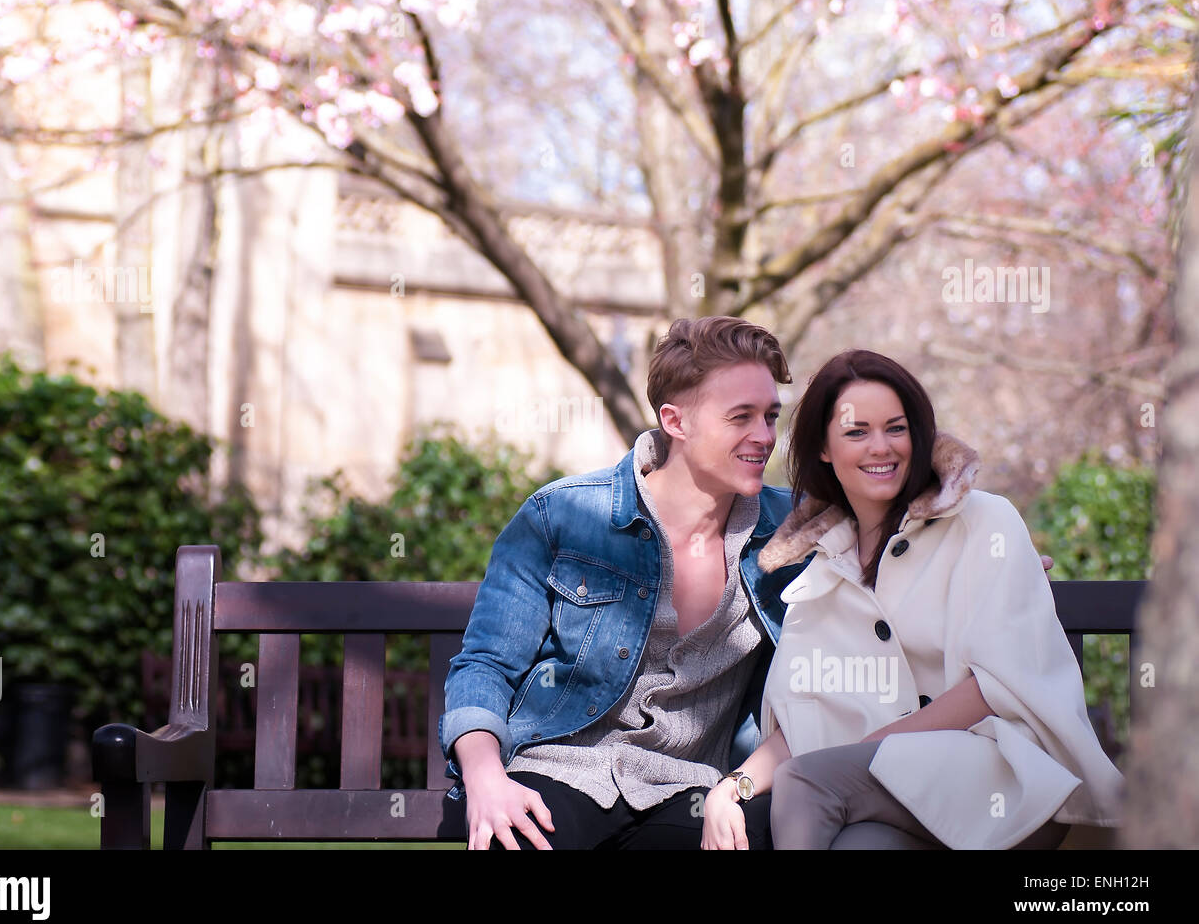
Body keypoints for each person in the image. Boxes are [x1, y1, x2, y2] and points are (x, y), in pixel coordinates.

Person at [701, 349, 1123, 850]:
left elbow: (999, 682)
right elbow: (806, 721)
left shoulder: (983, 522)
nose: (881, 447)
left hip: (1006, 777)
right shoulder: (823, 571)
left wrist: (873, 750)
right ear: (823, 448)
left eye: (896, 428)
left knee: (807, 783)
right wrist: (733, 787)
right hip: (897, 793)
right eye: (857, 432)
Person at [438, 315, 812, 849]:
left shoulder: (793, 535)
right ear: (675, 421)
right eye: (740, 417)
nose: (764, 437)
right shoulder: (562, 515)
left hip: (694, 789)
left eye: (771, 416)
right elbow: (485, 665)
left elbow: (893, 495)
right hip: (560, 770)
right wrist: (485, 778)